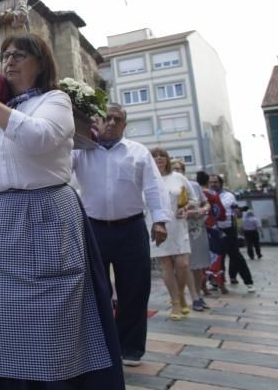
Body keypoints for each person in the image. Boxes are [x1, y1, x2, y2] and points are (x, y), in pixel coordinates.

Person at [0, 34, 126, 390]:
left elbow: (37, 139)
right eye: (6, 56)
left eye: (20, 55)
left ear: (40, 62)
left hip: (46, 216)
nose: (10, 61)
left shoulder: (55, 101)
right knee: (2, 322)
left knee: (50, 324)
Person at [72, 103, 170, 367]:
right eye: (106, 118)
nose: (111, 123)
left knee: (135, 289)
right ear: (96, 122)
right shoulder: (80, 151)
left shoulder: (138, 153)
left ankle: (131, 348)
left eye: (117, 119)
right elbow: (58, 172)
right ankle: (99, 344)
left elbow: (153, 187)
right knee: (94, 289)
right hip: (93, 228)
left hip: (131, 228)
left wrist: (160, 220)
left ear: (124, 125)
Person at [148, 148, 195, 321]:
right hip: (156, 225)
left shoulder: (178, 177)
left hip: (178, 225)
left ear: (167, 159)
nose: (159, 158)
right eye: (155, 156)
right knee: (166, 265)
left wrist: (185, 208)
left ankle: (181, 295)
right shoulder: (146, 179)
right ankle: (176, 302)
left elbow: (193, 199)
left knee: (182, 264)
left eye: (162, 155)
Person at [173, 159, 210, 311]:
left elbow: (206, 204)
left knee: (199, 264)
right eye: (174, 168)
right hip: (181, 228)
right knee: (186, 263)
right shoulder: (168, 186)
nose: (177, 171)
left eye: (179, 169)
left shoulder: (194, 186)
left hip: (198, 228)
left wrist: (201, 210)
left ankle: (199, 294)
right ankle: (193, 296)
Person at [210, 175, 254, 292]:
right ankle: (218, 282)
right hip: (214, 229)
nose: (213, 184)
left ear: (221, 183)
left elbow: (229, 209)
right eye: (211, 182)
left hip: (228, 229)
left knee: (235, 255)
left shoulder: (228, 196)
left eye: (215, 182)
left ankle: (248, 281)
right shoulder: (208, 195)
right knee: (217, 257)